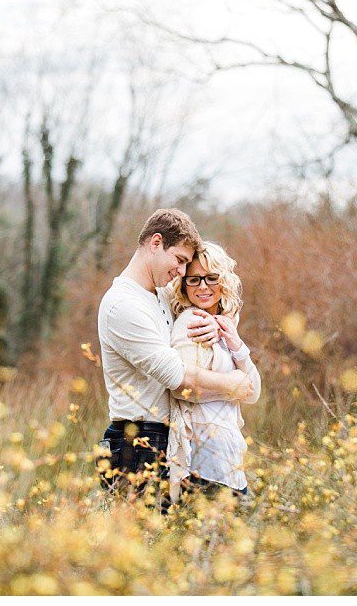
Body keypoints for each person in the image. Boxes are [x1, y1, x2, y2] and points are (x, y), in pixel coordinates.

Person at [94, 208, 255, 508]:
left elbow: (212, 291)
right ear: (156, 243)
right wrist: (234, 383)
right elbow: (178, 378)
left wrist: (218, 322)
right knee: (142, 548)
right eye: (179, 260)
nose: (181, 272)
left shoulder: (157, 294)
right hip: (136, 441)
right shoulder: (122, 305)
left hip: (165, 438)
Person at [163, 241, 260, 506]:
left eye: (211, 278)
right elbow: (183, 389)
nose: (203, 287)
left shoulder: (222, 325)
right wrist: (235, 385)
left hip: (229, 462)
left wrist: (236, 344)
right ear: (184, 286)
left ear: (223, 281)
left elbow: (254, 392)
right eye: (194, 280)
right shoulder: (191, 324)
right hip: (203, 464)